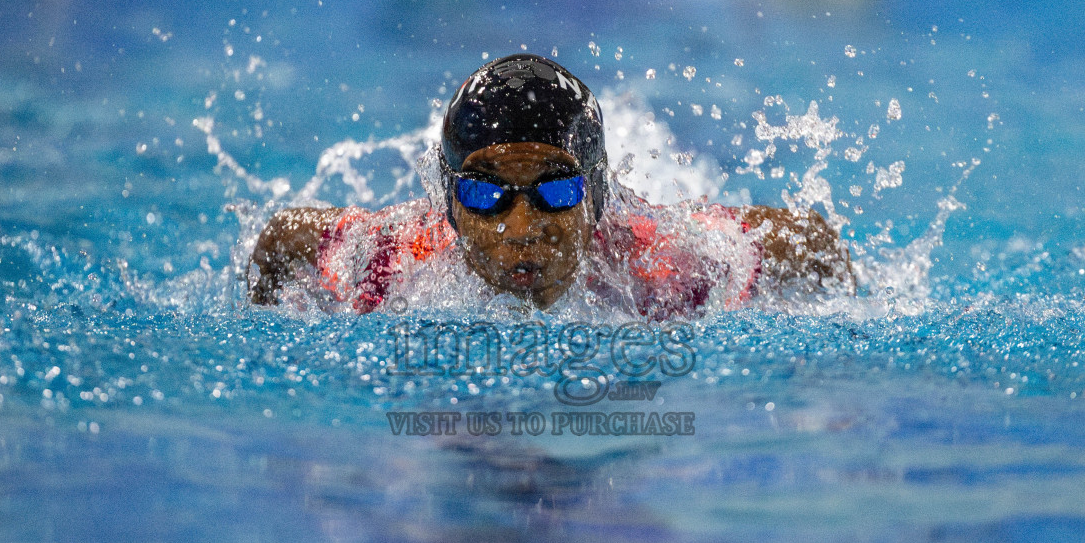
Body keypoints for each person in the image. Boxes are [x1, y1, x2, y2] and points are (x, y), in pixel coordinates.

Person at [249, 54, 851, 318]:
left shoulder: (663, 264)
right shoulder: (396, 257)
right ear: (450, 205)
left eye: (556, 192)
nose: (521, 227)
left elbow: (811, 240)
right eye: (484, 195)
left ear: (596, 197)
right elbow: (280, 237)